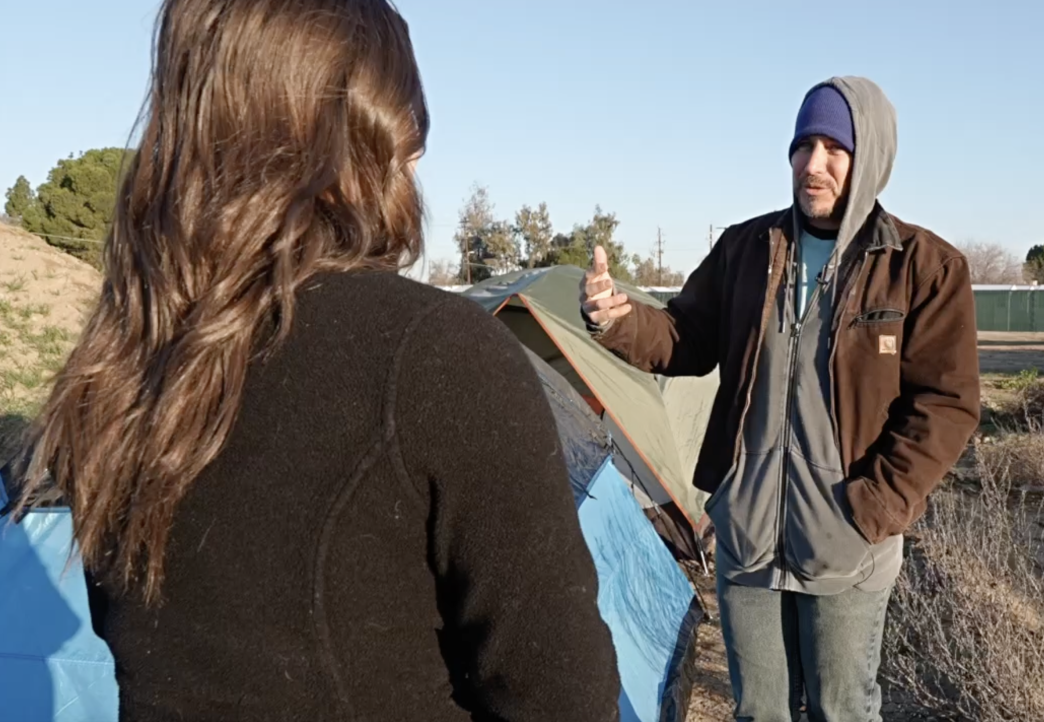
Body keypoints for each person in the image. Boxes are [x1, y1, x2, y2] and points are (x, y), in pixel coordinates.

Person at [12, 0, 620, 720]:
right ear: (363, 135)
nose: (419, 153)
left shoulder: (116, 368)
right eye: (404, 119)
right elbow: (562, 697)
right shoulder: (437, 357)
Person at [580, 76, 980, 721]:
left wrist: (872, 508)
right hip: (749, 535)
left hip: (848, 541)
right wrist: (619, 318)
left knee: (841, 711)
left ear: (869, 157)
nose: (812, 165)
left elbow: (946, 404)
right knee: (759, 711)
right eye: (803, 146)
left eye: (833, 148)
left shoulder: (922, 266)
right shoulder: (747, 249)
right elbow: (685, 337)